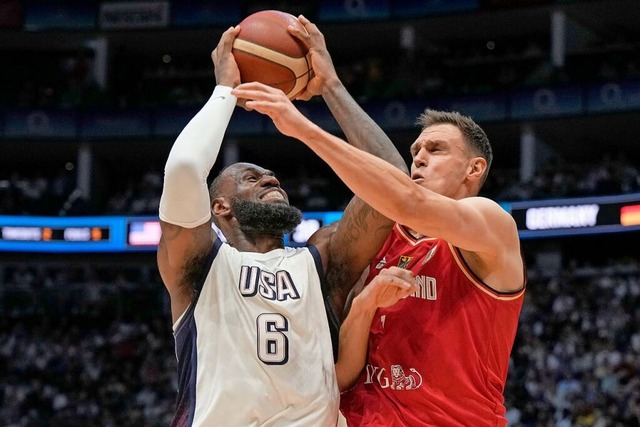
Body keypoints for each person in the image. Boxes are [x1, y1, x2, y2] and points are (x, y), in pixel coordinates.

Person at [230, 17, 527, 425]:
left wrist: (302, 127)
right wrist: (328, 85)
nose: (419, 156)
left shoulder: (491, 224)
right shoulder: (385, 238)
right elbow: (345, 370)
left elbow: (407, 198)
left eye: (436, 150)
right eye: (417, 148)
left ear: (474, 169)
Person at [157, 21, 416, 427]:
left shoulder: (321, 260)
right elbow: (186, 167)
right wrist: (226, 91)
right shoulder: (199, 264)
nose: (270, 178)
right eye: (251, 177)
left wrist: (331, 86)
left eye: (272, 176)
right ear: (220, 207)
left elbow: (391, 184)